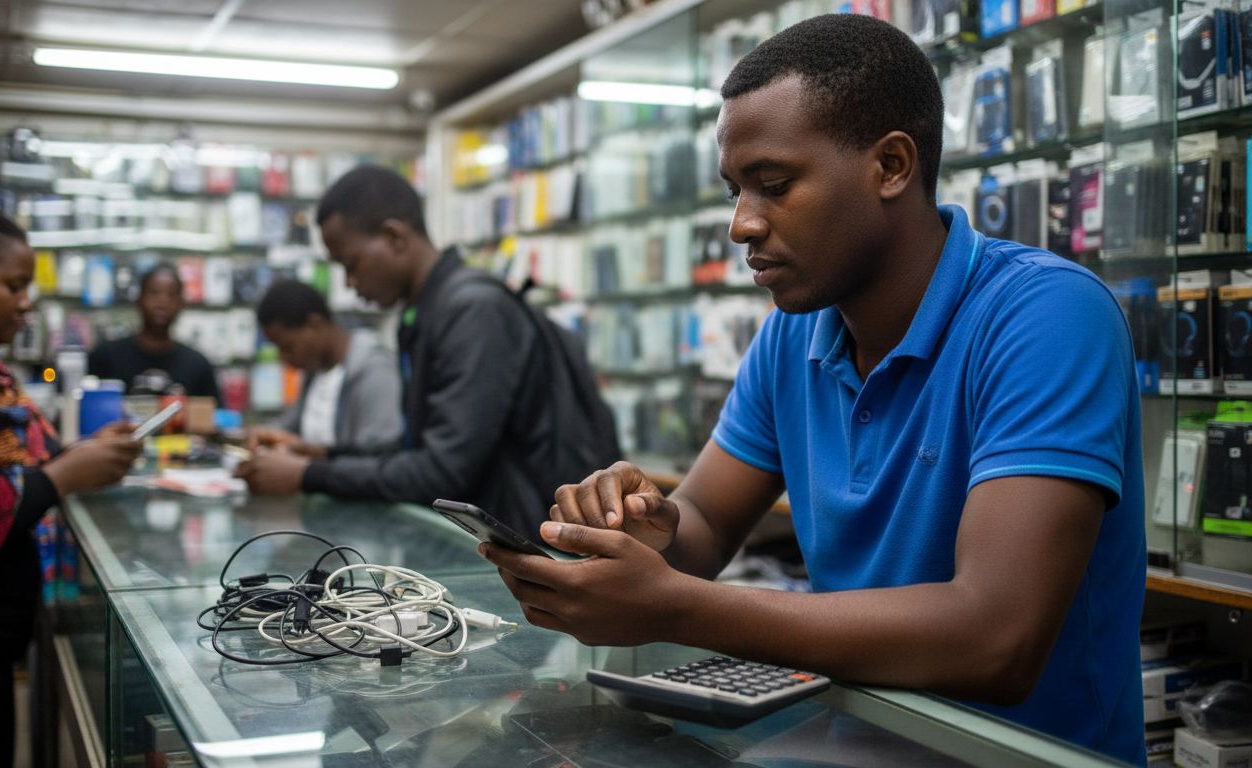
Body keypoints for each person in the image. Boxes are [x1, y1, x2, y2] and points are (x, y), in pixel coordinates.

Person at [481, 15, 1145, 766]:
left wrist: (679, 607)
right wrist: (643, 528)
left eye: (774, 186)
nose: (741, 225)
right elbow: (703, 523)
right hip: (856, 744)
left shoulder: (1048, 315)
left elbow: (995, 637)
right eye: (735, 191)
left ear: (891, 165)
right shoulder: (792, 336)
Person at [236, 165, 618, 542]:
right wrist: (323, 455)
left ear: (394, 236)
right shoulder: (428, 311)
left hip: (533, 546)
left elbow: (443, 471)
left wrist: (308, 474)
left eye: (351, 265)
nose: (350, 284)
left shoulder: (473, 311)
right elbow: (419, 445)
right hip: (494, 541)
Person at [0, 206, 142, 765]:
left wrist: (78, 456)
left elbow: (11, 466)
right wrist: (61, 476)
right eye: (12, 285)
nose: (25, 303)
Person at [241, 279, 402, 472]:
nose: (284, 359)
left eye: (287, 347)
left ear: (314, 324)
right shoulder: (315, 372)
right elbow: (290, 425)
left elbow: (377, 459)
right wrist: (264, 434)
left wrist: (308, 469)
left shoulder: (374, 372)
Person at [87, 262, 220, 401]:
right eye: (154, 293)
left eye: (171, 295)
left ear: (181, 304)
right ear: (139, 299)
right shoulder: (105, 357)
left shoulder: (197, 365)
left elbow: (213, 412)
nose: (162, 302)